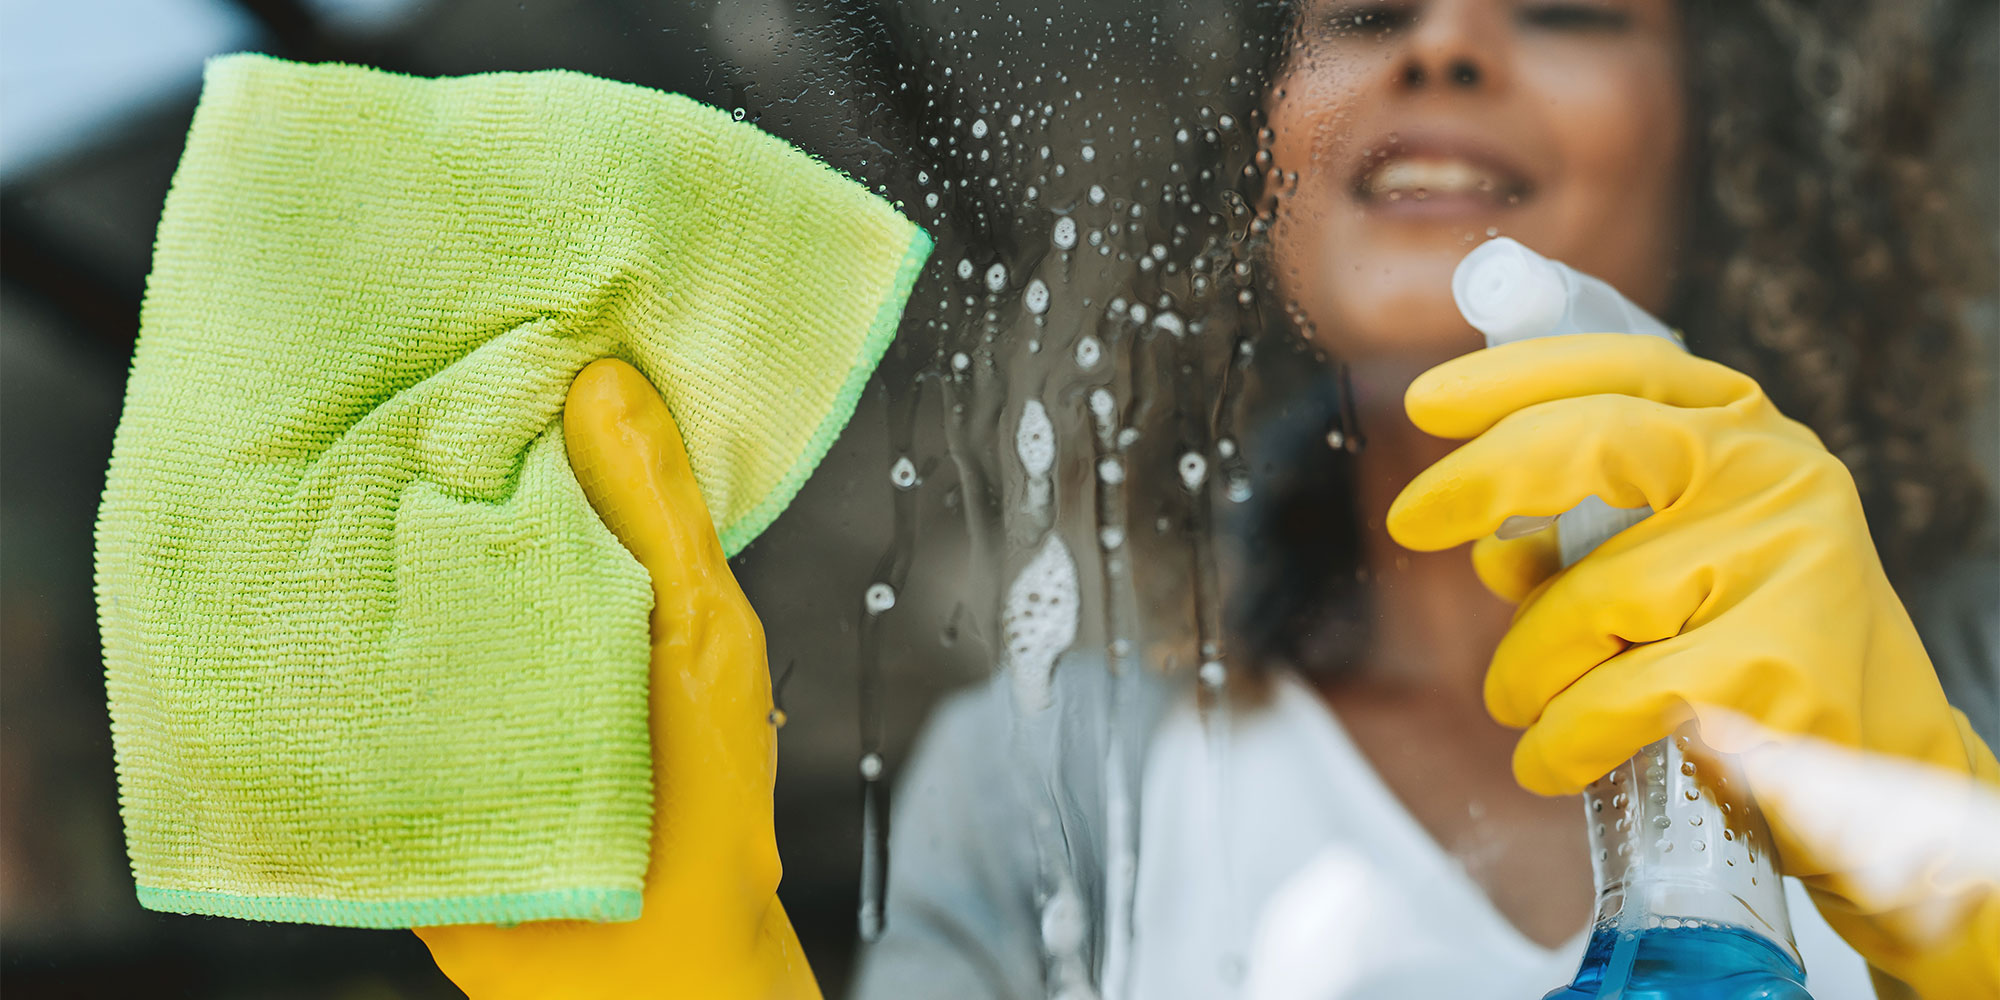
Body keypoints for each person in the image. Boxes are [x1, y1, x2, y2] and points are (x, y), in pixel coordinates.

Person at [417, 1, 1999, 997]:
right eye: (1365, 11)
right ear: (1270, 168)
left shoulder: (1961, 678)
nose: (1443, 42)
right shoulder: (1052, 783)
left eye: (1568, 8)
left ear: (1713, 150)